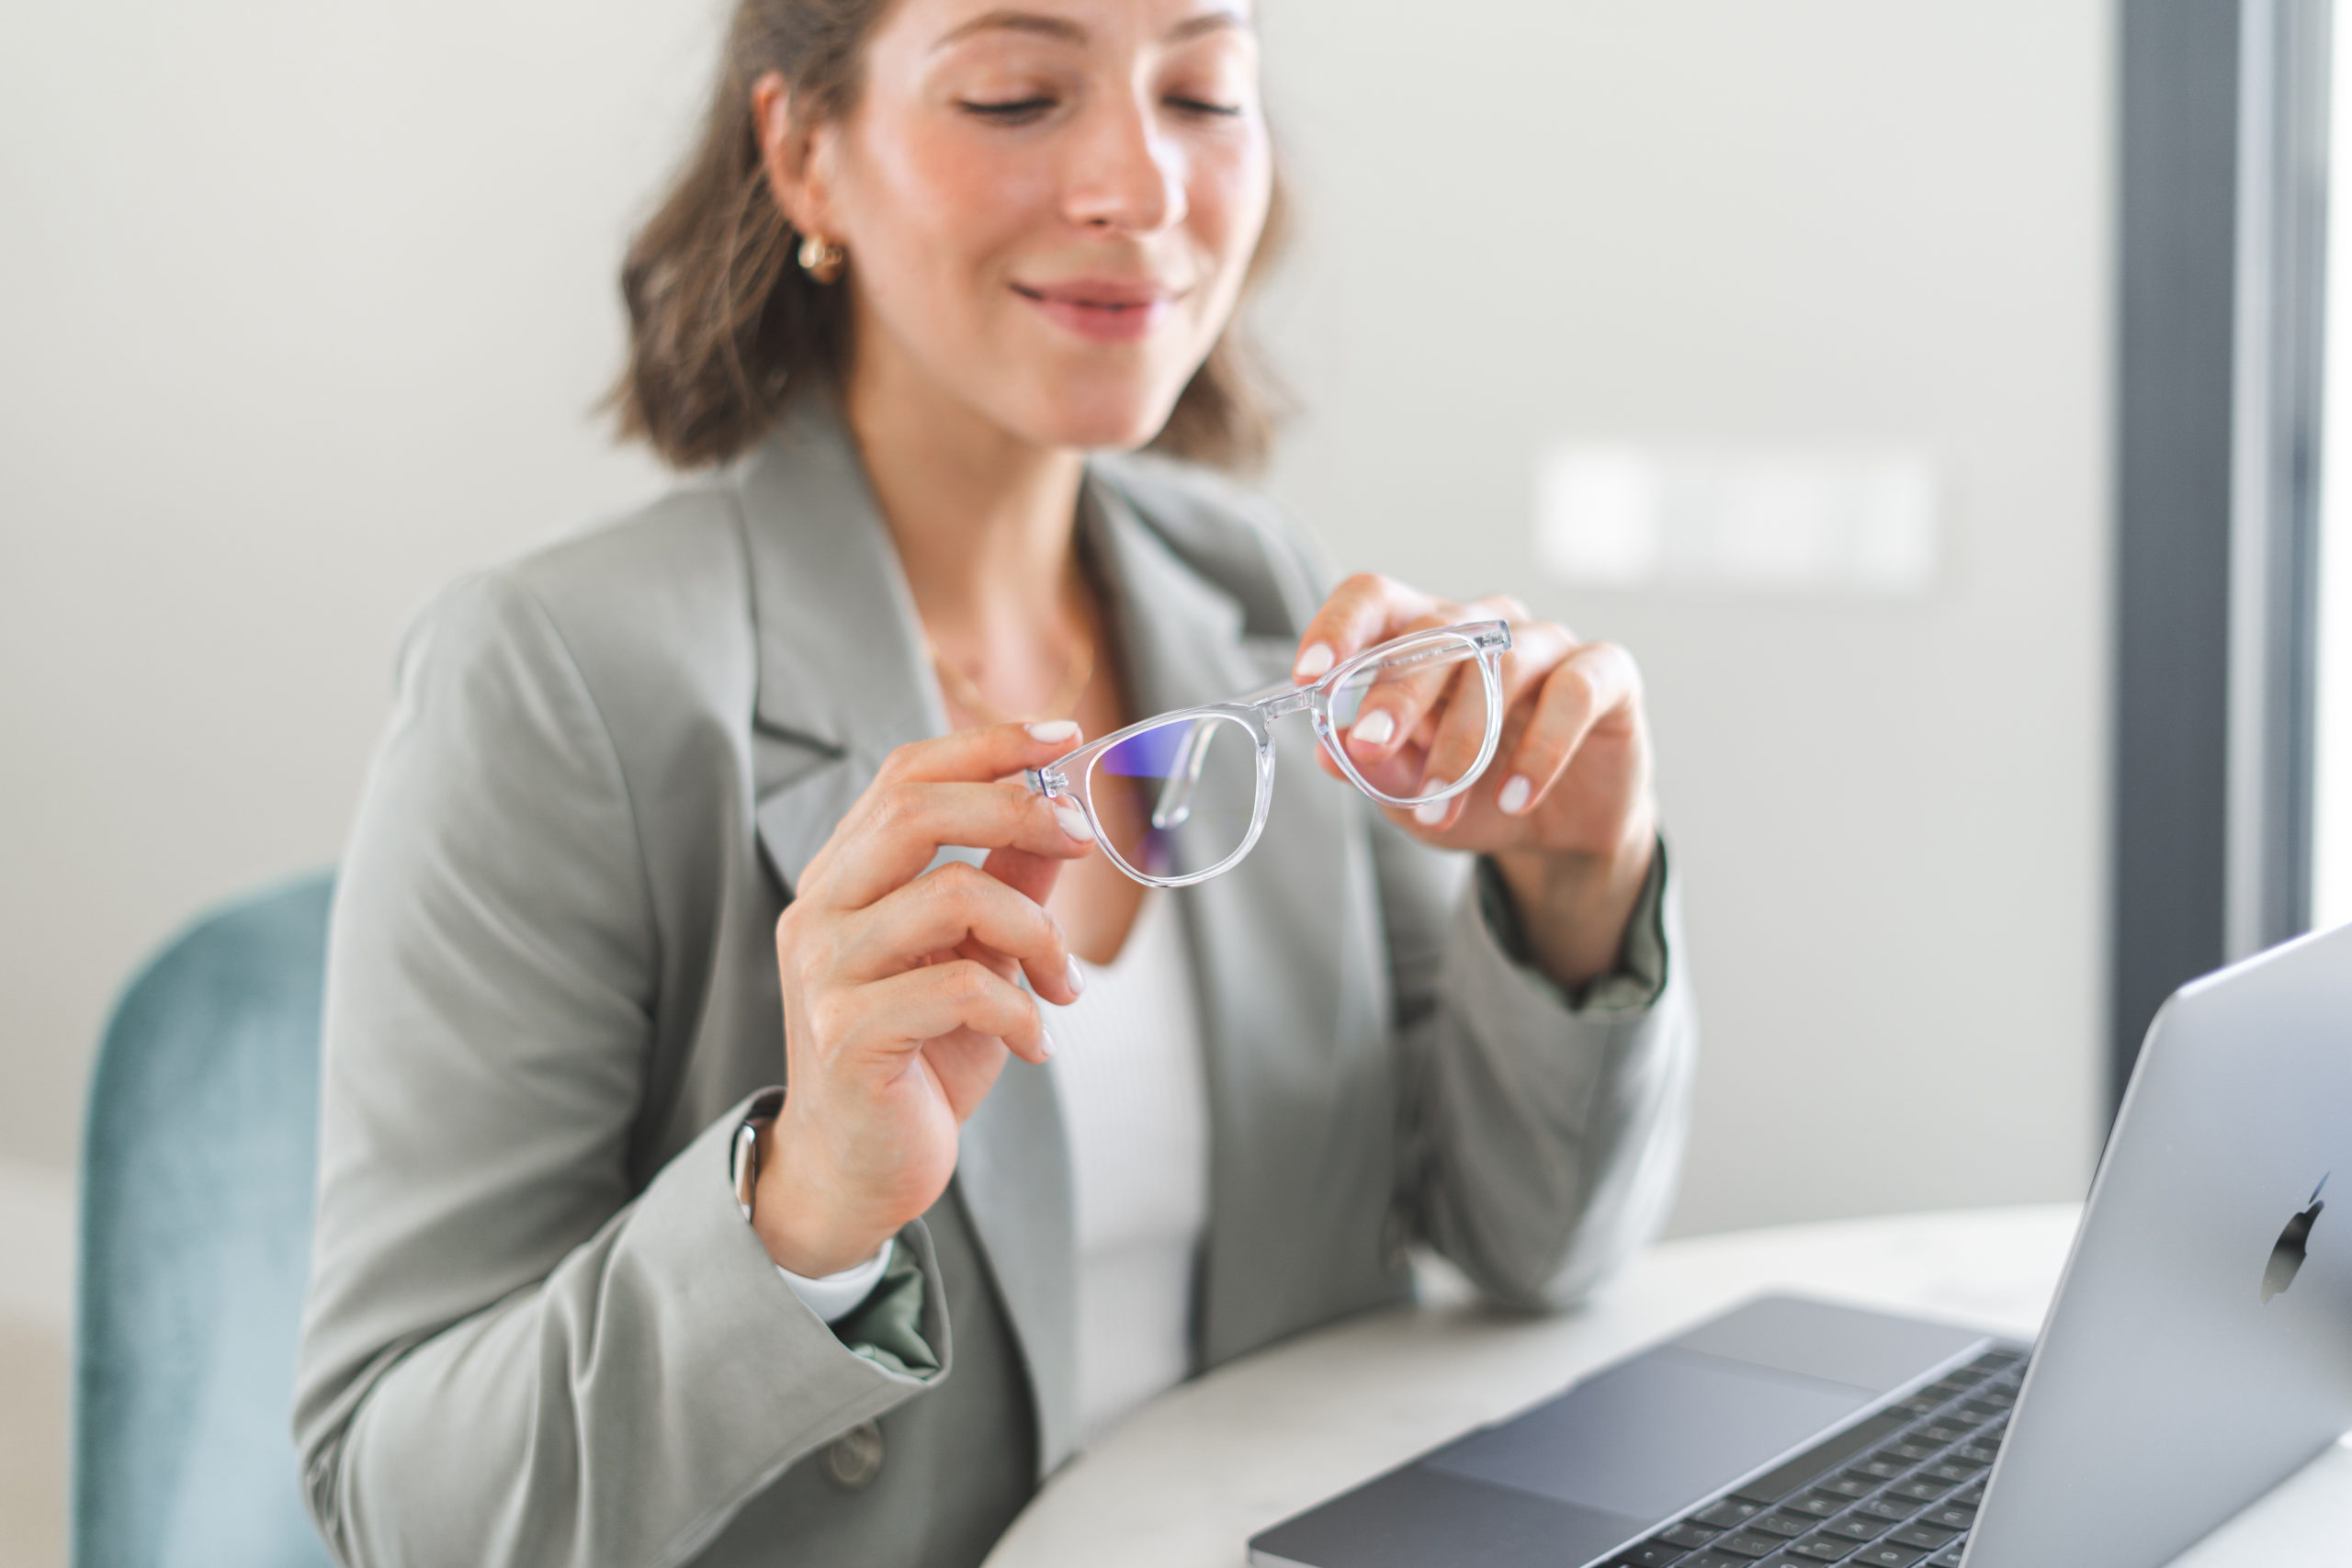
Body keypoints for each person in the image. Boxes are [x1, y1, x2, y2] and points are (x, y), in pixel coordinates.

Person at [290, 0, 1695, 1562]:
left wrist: (1576, 888)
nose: (1140, 187)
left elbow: (1532, 1246)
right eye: (1020, 94)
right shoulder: (553, 682)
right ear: (805, 155)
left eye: (1202, 92)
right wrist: (802, 1208)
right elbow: (395, 1507)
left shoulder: (1266, 601)